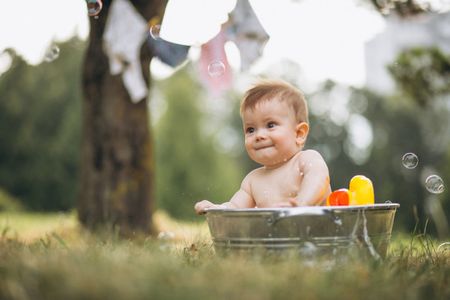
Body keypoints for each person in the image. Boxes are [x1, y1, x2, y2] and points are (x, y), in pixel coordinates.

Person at [194, 79, 331, 214]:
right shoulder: (252, 180)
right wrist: (218, 209)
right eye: (251, 129)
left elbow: (319, 179)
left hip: (317, 230)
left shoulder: (306, 159)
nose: (259, 135)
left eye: (270, 125)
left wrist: (302, 203)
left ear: (299, 134)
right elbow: (235, 207)